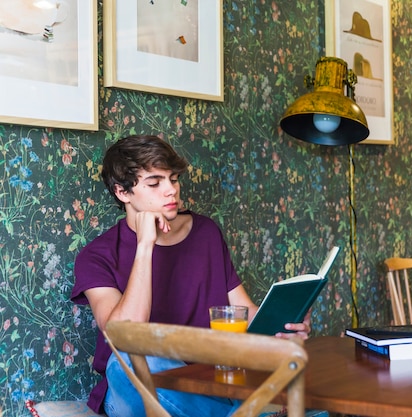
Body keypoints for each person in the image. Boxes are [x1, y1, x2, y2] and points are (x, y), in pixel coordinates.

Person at [71, 135, 311, 417]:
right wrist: (145, 245)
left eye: (173, 179)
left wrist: (283, 328)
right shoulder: (96, 255)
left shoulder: (205, 233)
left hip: (211, 382)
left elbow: (242, 314)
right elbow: (124, 337)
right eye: (154, 183)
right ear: (123, 192)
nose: (171, 190)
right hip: (132, 392)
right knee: (129, 359)